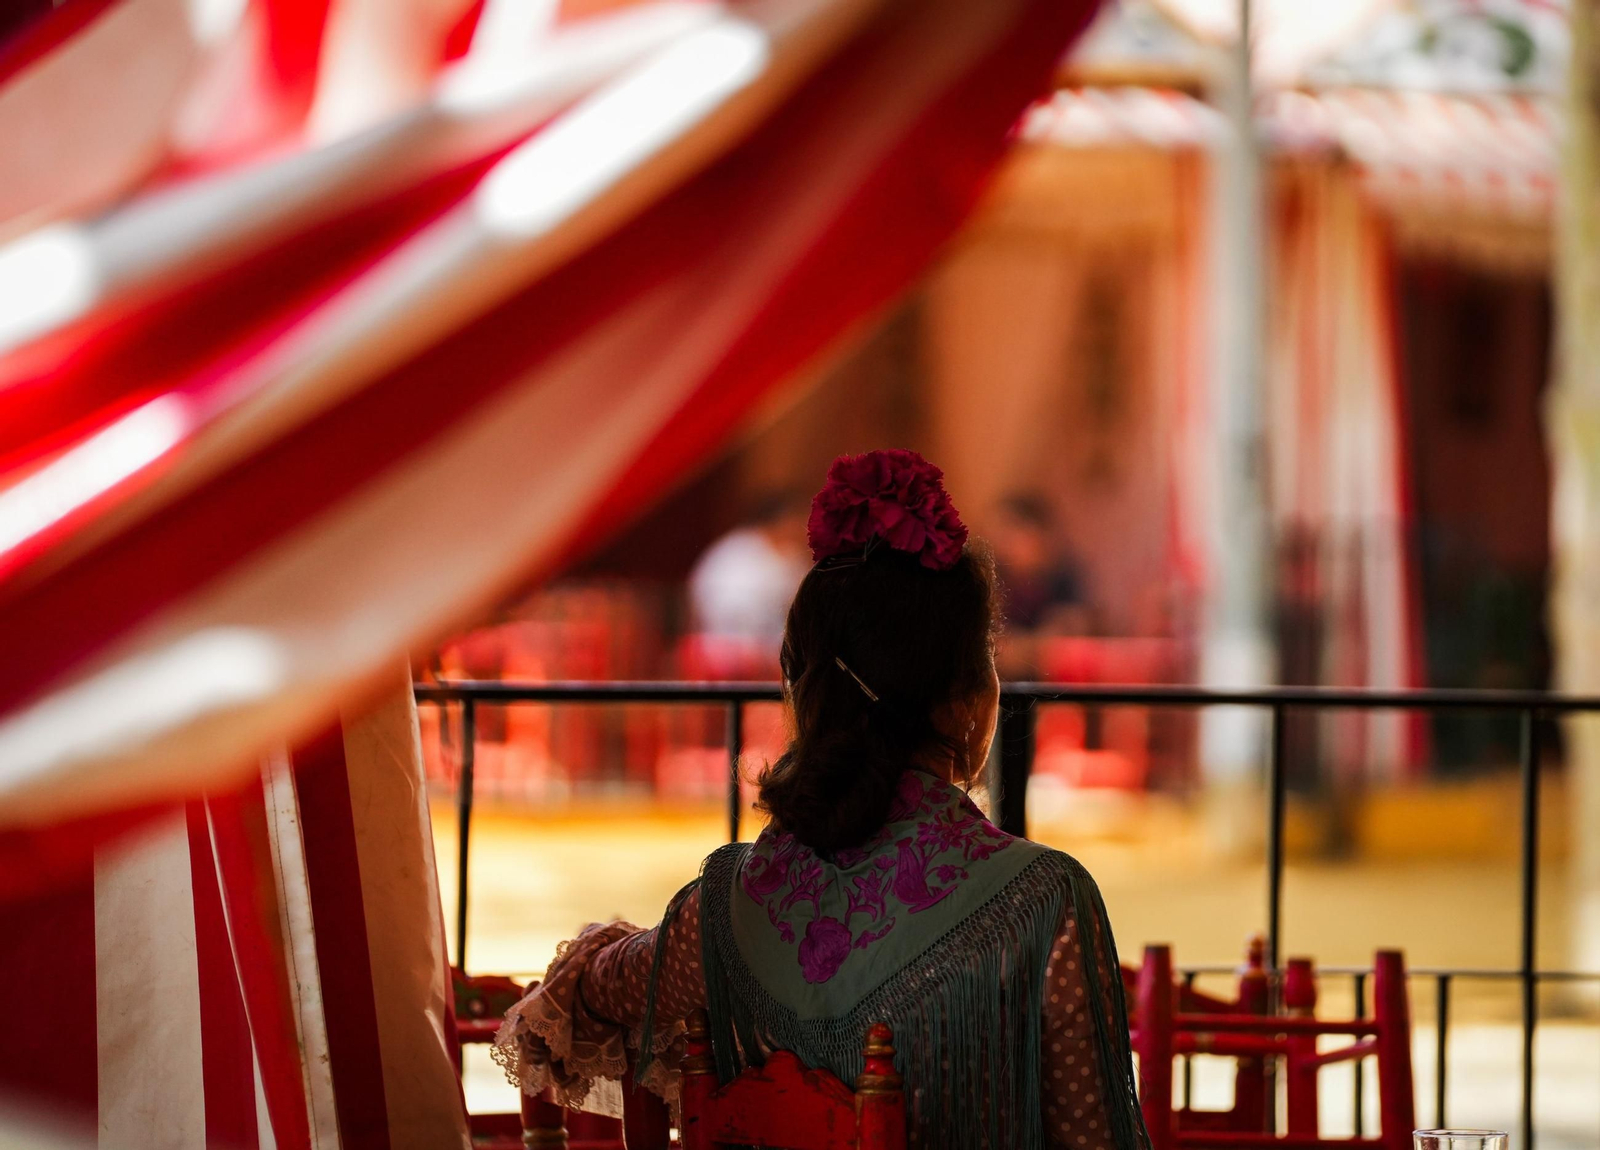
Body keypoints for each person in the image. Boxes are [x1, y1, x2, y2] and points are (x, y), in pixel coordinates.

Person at [493, 450, 1149, 1150]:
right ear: (967, 703)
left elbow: (576, 1000)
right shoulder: (1043, 904)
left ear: (806, 698)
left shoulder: (718, 912)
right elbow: (1097, 1138)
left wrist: (604, 953)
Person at [686, 490, 811, 660]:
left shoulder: (789, 556)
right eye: (799, 521)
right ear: (784, 522)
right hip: (731, 654)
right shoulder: (736, 555)